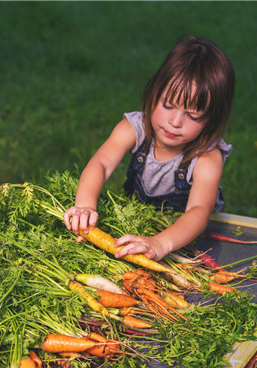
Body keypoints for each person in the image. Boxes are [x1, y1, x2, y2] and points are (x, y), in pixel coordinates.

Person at [64, 36, 235, 261]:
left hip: (184, 243)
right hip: (134, 228)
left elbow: (199, 211)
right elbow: (101, 164)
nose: (175, 122)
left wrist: (160, 243)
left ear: (211, 120)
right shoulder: (134, 128)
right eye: (167, 105)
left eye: (192, 116)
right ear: (154, 93)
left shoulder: (207, 157)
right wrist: (84, 206)